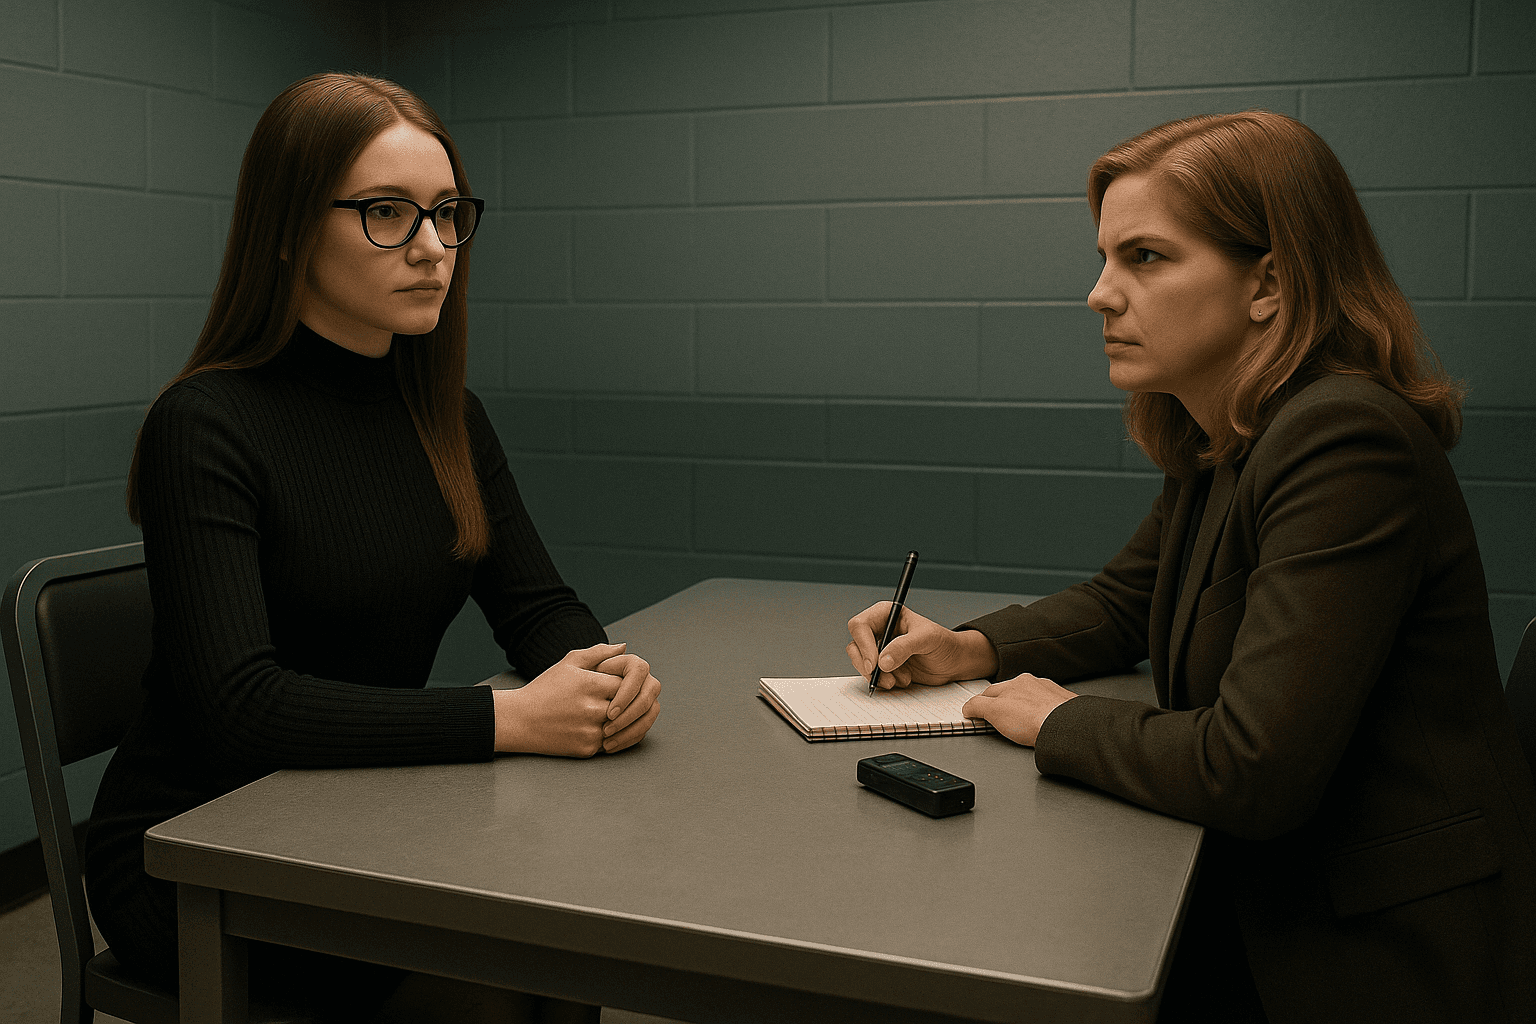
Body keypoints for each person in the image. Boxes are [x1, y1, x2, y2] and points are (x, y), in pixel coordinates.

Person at [846, 111, 1536, 1024]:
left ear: (1271, 283)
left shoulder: (1343, 439)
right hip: (1269, 894)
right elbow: (1126, 602)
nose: (1100, 293)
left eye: (1146, 257)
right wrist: (968, 647)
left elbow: (1252, 768)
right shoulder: (1232, 432)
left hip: (1372, 951)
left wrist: (1062, 721)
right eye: (1104, 258)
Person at [85, 73, 660, 1023]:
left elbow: (536, 604)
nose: (433, 249)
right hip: (193, 849)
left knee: (565, 931)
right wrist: (513, 722)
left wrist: (599, 675)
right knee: (511, 970)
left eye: (446, 213)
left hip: (362, 808)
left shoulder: (447, 417)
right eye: (386, 213)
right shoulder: (207, 423)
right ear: (287, 229)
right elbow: (241, 707)